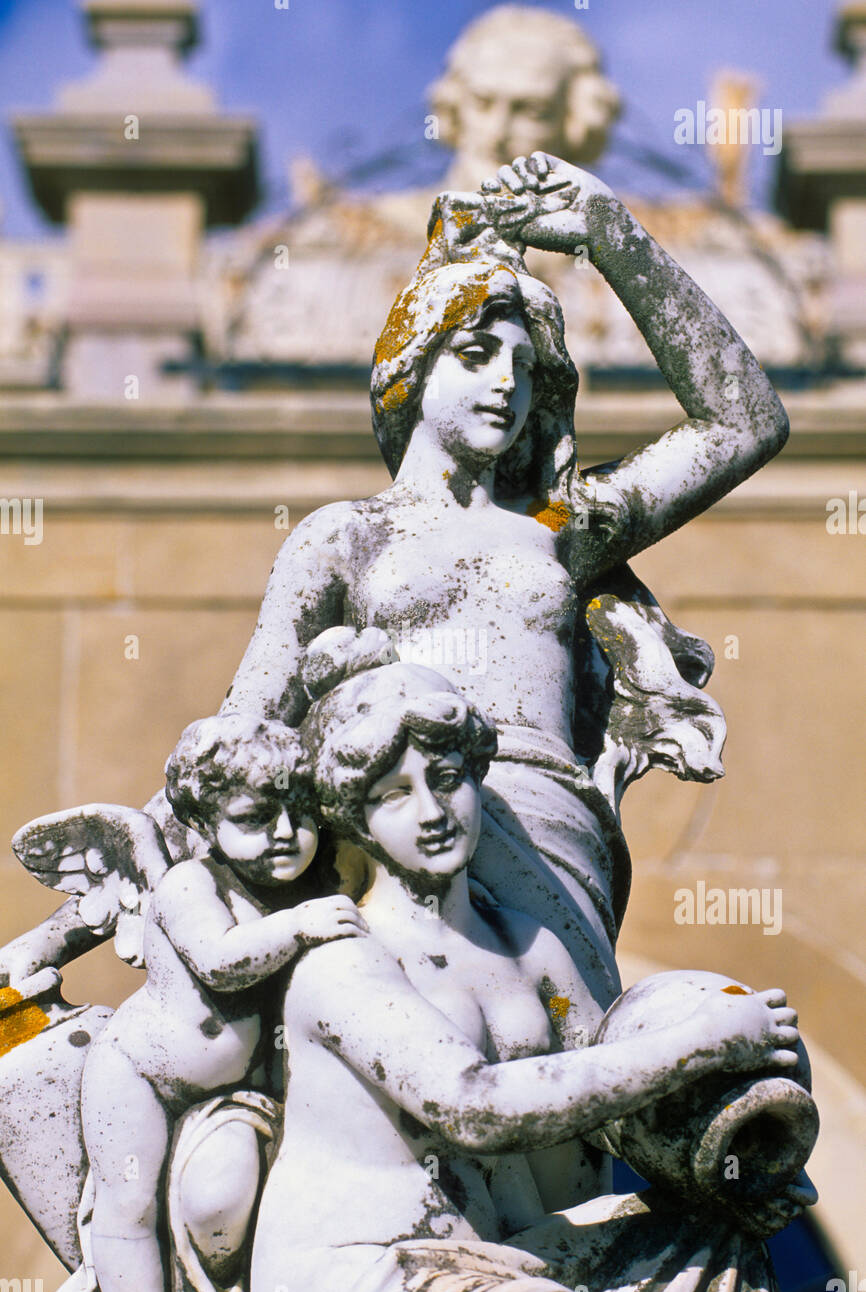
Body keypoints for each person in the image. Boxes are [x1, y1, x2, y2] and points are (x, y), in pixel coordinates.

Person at [219, 152, 788, 1003]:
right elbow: (249, 727)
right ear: (409, 368)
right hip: (389, 815)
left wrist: (609, 234)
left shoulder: (558, 529)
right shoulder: (346, 536)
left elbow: (744, 422)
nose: (506, 384)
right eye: (478, 354)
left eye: (527, 369)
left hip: (547, 826)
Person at [249, 640, 801, 1292]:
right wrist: (698, 1041)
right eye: (396, 795)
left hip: (497, 1261)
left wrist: (739, 1162)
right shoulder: (344, 960)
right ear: (353, 818)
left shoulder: (527, 945)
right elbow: (474, 1107)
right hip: (367, 1270)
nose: (432, 813)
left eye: (447, 778)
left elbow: (610, 1104)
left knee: (715, 1242)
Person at [78, 713, 364, 1292]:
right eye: (255, 819)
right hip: (138, 1075)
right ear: (206, 824)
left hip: (230, 1092)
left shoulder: (303, 889)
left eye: (301, 812)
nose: (285, 832)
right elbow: (221, 961)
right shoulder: (191, 885)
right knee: (128, 1206)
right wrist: (301, 925)